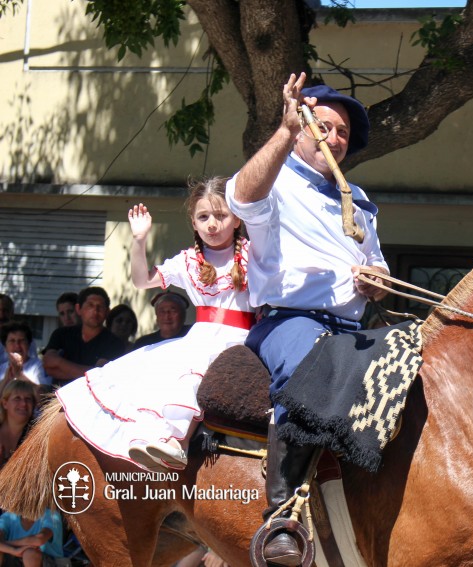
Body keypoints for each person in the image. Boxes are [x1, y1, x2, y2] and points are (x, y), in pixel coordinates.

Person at [224, 73, 390, 566]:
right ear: (301, 130)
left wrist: (377, 280)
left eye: (342, 133)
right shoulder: (276, 176)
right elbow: (240, 199)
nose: (334, 139)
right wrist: (281, 129)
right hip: (291, 322)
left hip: (351, 329)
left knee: (407, 373)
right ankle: (282, 520)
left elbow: (377, 261)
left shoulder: (357, 199)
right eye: (323, 127)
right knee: (310, 373)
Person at [56, 178, 254, 473]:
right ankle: (162, 440)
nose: (212, 224)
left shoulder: (254, 253)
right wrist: (139, 240)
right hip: (201, 336)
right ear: (194, 223)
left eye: (221, 215)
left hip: (243, 337)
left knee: (193, 369)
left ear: (237, 218)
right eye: (203, 217)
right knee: (151, 372)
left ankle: (177, 441)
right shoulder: (188, 261)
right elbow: (141, 281)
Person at [41, 287, 126, 388]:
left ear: (107, 311)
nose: (95, 311)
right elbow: (48, 366)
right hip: (60, 399)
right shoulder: (61, 334)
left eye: (100, 306)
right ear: (78, 309)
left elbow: (102, 378)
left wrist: (59, 362)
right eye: (90, 305)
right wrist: (91, 371)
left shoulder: (115, 343)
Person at [0, 380, 37, 470]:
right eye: (17, 398)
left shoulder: (35, 436)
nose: (23, 404)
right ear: (5, 403)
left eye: (28, 399)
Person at [0, 323, 47, 391]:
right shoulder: (1, 369)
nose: (17, 345)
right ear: (5, 347)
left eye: (21, 341)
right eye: (12, 341)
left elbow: (42, 394)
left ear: (29, 344)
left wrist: (19, 374)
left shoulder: (39, 366)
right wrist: (5, 380)